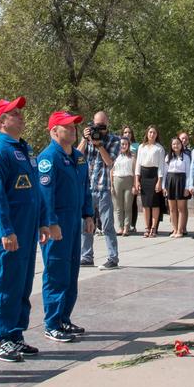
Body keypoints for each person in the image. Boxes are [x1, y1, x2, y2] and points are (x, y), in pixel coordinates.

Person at [0, 97, 46, 364]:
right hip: (10, 231)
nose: (21, 117)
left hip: (27, 228)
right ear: (1, 121)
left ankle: (15, 333)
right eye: (14, 114)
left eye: (20, 113)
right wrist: (6, 230)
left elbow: (35, 192)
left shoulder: (24, 149)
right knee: (7, 283)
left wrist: (43, 221)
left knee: (22, 283)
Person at [36, 109, 95, 343]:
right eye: (67, 126)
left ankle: (64, 318)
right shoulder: (48, 158)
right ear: (54, 131)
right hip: (57, 223)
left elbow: (85, 188)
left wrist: (88, 214)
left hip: (73, 222)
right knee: (56, 272)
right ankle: (52, 322)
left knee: (71, 272)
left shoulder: (78, 157)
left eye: (74, 126)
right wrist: (50, 223)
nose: (73, 130)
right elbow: (45, 194)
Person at [79, 111, 120, 270]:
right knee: (85, 225)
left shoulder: (115, 140)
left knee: (107, 225)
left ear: (107, 125)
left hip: (103, 189)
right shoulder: (88, 139)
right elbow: (76, 155)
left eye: (102, 126)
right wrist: (84, 139)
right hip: (88, 188)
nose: (99, 130)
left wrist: (99, 145)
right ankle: (86, 256)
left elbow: (109, 162)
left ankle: (113, 258)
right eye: (96, 126)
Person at [135, 126, 166, 237]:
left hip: (154, 175)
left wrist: (159, 181)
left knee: (154, 204)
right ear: (147, 133)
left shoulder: (159, 148)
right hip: (144, 175)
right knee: (146, 204)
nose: (152, 134)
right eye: (150, 132)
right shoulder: (141, 147)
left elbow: (161, 166)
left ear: (157, 135)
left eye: (154, 132)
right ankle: (147, 227)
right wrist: (137, 180)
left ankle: (153, 228)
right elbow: (138, 164)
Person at [162, 136, 190, 237]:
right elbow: (164, 173)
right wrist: (163, 187)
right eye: (174, 144)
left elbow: (188, 173)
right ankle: (174, 229)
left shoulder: (186, 157)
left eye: (178, 143)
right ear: (171, 145)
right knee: (172, 208)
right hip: (170, 182)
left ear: (181, 144)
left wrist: (187, 187)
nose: (176, 145)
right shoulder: (168, 157)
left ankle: (180, 230)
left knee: (181, 208)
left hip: (181, 182)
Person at [111, 137, 137, 236]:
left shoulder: (132, 156)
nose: (124, 146)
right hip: (117, 180)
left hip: (129, 180)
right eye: (122, 144)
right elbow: (111, 170)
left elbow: (135, 172)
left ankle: (127, 227)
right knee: (118, 207)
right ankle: (120, 227)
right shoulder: (114, 155)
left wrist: (135, 185)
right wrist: (111, 185)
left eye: (126, 144)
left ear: (128, 145)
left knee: (128, 206)